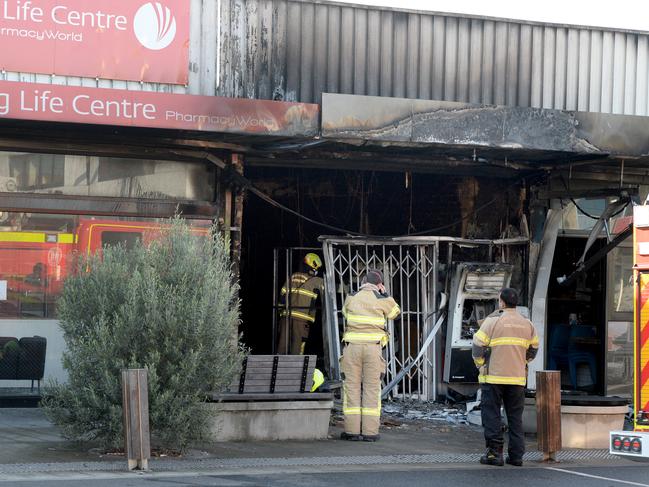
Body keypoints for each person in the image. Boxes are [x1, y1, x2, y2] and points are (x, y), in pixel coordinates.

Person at [472, 287, 539, 466]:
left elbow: (477, 346)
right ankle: (516, 456)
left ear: (501, 302)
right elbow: (534, 349)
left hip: (493, 378)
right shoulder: (527, 323)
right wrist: (522, 361)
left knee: (492, 415)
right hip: (517, 379)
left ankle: (495, 454)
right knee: (515, 417)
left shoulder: (493, 321)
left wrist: (480, 364)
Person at [340, 269, 400, 442]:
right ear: (379, 284)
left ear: (363, 281)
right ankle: (370, 433)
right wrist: (385, 293)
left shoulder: (351, 296)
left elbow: (345, 313)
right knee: (372, 389)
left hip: (352, 348)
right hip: (373, 350)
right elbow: (395, 313)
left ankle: (351, 431)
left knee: (351, 388)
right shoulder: (382, 299)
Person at [277, 253, 324, 355]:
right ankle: (296, 370)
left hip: (286, 317)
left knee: (282, 346)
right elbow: (331, 290)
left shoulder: (293, 276)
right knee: (297, 349)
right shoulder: (317, 281)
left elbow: (282, 295)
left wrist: (281, 313)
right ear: (313, 267)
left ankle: (279, 369)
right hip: (302, 320)